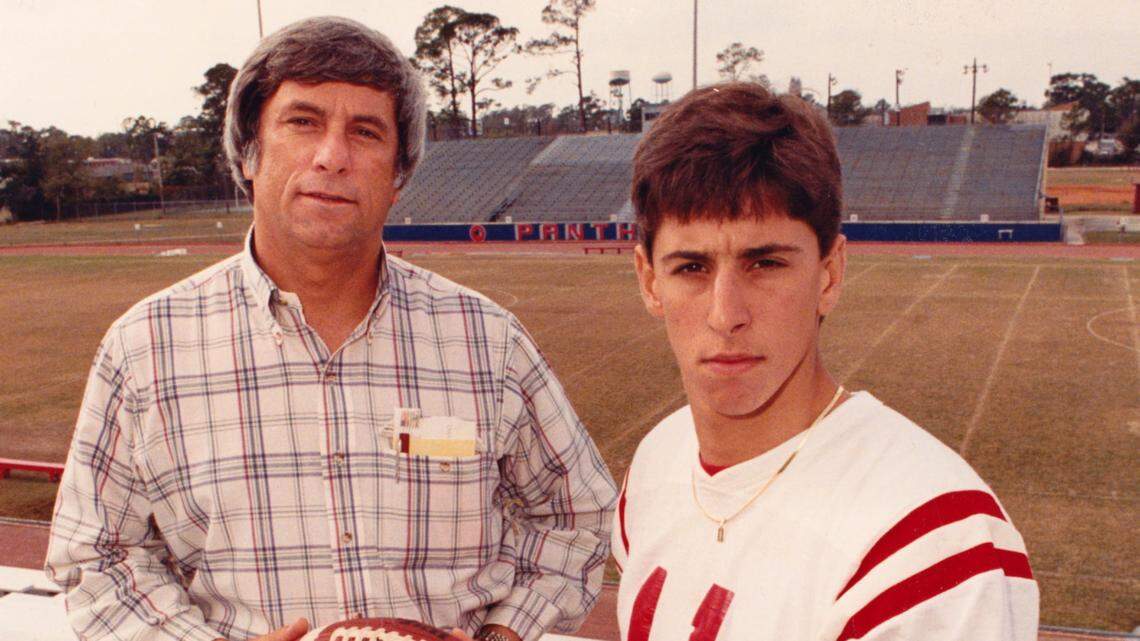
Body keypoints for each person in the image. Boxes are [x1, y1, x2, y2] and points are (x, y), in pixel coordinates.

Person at [46, 16, 616, 641]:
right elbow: (95, 559)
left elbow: (577, 516)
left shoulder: (488, 342)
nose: (333, 156)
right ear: (248, 152)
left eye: (366, 132)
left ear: (399, 174)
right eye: (303, 121)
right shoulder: (143, 349)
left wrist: (505, 633)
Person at [613, 82, 1038, 641]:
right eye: (691, 268)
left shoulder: (931, 542)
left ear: (830, 275)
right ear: (649, 282)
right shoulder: (658, 460)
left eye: (764, 263)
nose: (725, 314)